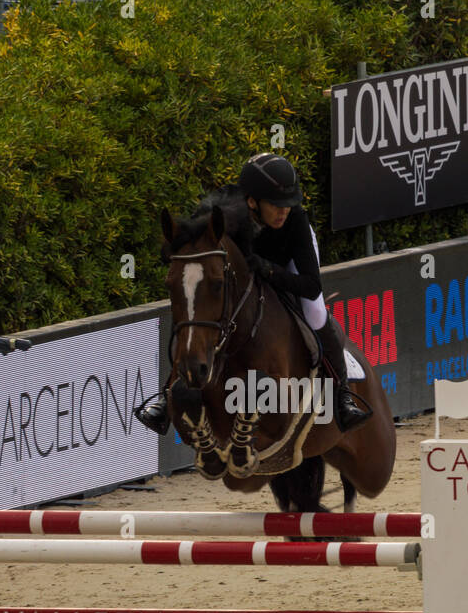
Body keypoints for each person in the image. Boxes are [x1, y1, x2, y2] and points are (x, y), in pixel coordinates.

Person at [136, 153, 372, 434]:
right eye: (276, 205)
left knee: (316, 311)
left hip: (286, 264)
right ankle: (167, 395)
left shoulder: (294, 221)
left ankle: (343, 396)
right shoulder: (221, 207)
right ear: (252, 201)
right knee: (195, 307)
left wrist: (267, 269)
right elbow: (191, 245)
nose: (283, 211)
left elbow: (311, 285)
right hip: (240, 274)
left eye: (288, 203)